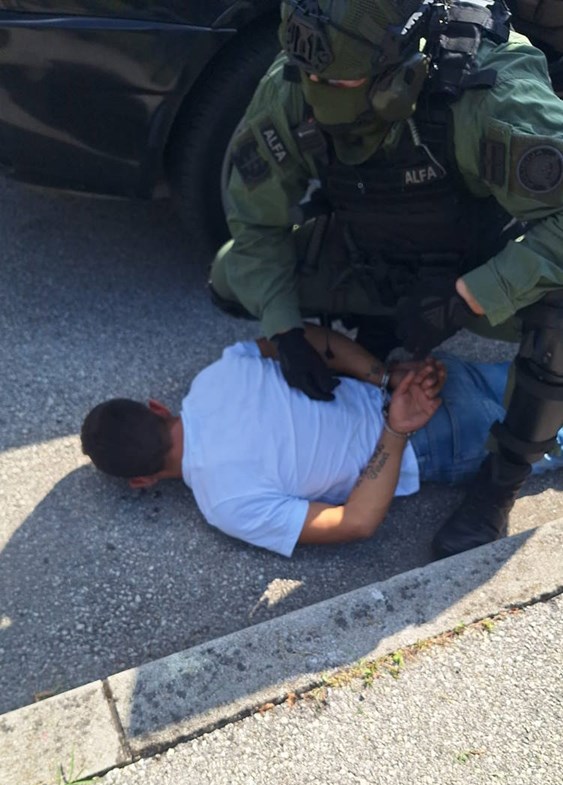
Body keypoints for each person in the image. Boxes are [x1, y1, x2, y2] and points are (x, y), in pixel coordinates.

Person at [208, 0, 563, 560]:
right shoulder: (295, 81)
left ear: (400, 65)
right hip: (372, 258)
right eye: (313, 78)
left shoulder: (489, 90)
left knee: (558, 319)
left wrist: (470, 296)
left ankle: (501, 481)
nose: (320, 94)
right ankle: (377, 332)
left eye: (341, 81)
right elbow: (255, 224)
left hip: (477, 271)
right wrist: (286, 333)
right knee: (232, 275)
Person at [80, 327, 563, 558]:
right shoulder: (218, 372)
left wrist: (397, 427)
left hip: (439, 441)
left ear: (141, 480)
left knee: (545, 426)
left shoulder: (225, 504)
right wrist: (386, 376)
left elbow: (355, 522)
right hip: (431, 377)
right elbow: (306, 339)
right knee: (545, 378)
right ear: (156, 407)